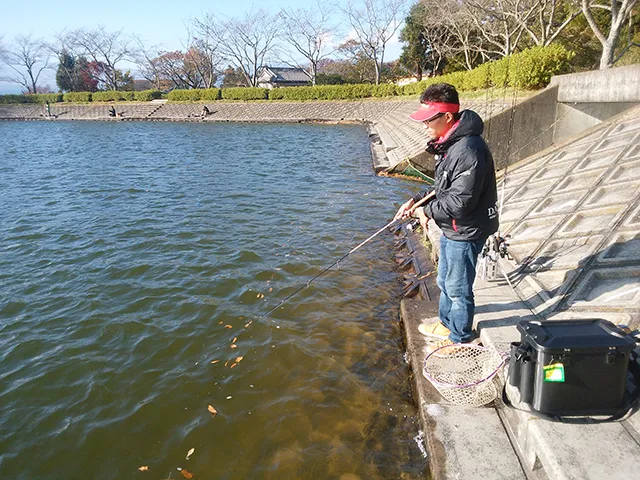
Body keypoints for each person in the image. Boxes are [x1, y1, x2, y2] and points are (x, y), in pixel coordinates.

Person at [394, 83, 499, 354]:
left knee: (458, 287)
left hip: (466, 229)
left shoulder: (468, 150)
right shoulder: (451, 144)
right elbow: (444, 188)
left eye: (429, 120)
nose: (425, 125)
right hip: (453, 228)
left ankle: (460, 337)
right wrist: (416, 200)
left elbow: (461, 202)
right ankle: (446, 322)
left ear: (447, 118)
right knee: (444, 280)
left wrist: (425, 212)